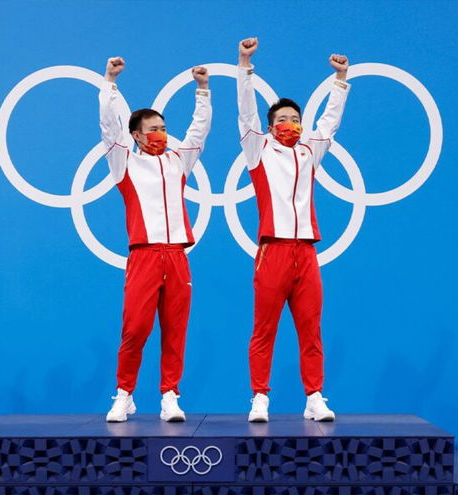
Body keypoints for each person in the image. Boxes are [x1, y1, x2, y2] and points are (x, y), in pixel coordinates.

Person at [236, 36, 347, 423]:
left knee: (310, 329)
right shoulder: (258, 149)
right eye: (281, 120)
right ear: (269, 127)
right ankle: (259, 398)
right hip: (273, 251)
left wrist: (340, 79)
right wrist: (244, 66)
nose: (289, 124)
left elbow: (329, 123)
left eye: (294, 119)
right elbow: (246, 115)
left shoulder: (309, 151)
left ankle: (314, 396)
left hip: (306, 252)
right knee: (264, 330)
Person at [100, 57, 211, 423]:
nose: (160, 134)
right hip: (144, 256)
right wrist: (109, 83)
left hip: (177, 257)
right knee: (134, 329)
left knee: (175, 329)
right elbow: (107, 126)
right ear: (136, 135)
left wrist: (202, 91)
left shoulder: (179, 160)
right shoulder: (124, 164)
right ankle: (124, 394)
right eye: (152, 129)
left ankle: (170, 395)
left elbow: (199, 132)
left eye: (163, 127)